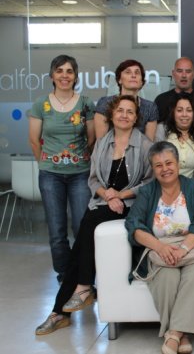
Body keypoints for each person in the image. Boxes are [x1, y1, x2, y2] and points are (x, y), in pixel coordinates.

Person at [35, 95, 153, 335]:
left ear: (136, 119)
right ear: (112, 115)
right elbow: (93, 180)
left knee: (88, 227)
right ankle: (73, 297)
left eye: (130, 112)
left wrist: (122, 195)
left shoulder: (145, 145)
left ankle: (66, 305)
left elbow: (150, 182)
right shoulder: (102, 142)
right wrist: (108, 196)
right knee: (84, 238)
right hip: (104, 203)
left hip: (132, 205)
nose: (124, 115)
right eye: (120, 110)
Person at [126, 141, 194, 354]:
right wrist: (160, 247)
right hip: (159, 248)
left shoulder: (193, 187)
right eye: (158, 165)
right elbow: (133, 224)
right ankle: (183, 335)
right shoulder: (147, 192)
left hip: (190, 247)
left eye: (169, 163)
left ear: (178, 163)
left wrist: (182, 249)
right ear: (153, 169)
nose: (165, 169)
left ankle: (173, 334)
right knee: (167, 278)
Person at [28, 55, 95, 283]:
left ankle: (82, 274)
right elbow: (34, 140)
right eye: (60, 71)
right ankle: (65, 274)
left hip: (80, 173)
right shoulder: (41, 104)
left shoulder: (86, 103)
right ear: (52, 76)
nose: (64, 75)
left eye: (69, 71)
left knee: (80, 228)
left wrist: (79, 159)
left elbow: (92, 138)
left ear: (76, 76)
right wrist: (46, 164)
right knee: (57, 230)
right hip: (50, 175)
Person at [155, 92, 194, 187]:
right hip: (163, 188)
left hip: (189, 190)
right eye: (179, 110)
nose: (184, 115)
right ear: (173, 112)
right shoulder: (162, 129)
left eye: (189, 110)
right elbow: (156, 165)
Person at [94, 59, 159, 141]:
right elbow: (100, 143)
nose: (133, 75)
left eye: (137, 72)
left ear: (142, 82)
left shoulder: (150, 107)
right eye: (128, 72)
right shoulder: (105, 103)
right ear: (119, 80)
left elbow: (149, 145)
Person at [155, 57, 194, 122]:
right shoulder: (161, 100)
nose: (184, 75)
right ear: (173, 74)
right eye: (179, 71)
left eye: (188, 71)